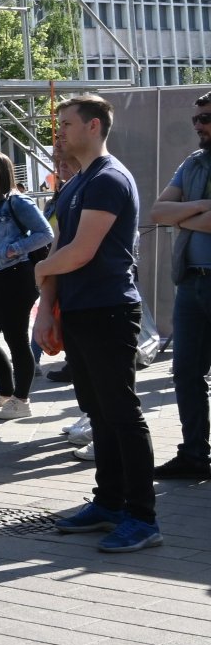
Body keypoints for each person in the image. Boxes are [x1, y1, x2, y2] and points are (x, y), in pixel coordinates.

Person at [39, 94, 160, 552]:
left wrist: (39, 274)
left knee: (122, 412)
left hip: (110, 309)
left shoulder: (109, 178)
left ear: (93, 127)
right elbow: (58, 247)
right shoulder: (78, 181)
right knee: (100, 412)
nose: (60, 132)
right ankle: (109, 502)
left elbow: (81, 251)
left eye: (67, 123)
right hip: (81, 309)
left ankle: (143, 518)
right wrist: (46, 306)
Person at [150, 90, 211, 481]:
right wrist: (200, 209)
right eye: (196, 120)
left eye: (206, 118)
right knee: (186, 372)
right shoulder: (192, 163)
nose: (199, 126)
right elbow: (157, 211)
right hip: (191, 282)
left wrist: (180, 214)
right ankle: (194, 455)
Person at [0, 152, 53, 421]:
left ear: (2, 172)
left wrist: (14, 250)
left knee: (15, 339)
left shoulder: (17, 202)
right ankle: (6, 393)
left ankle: (22, 399)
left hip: (14, 276)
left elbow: (45, 234)